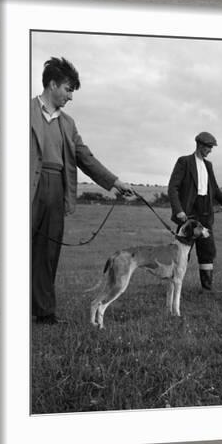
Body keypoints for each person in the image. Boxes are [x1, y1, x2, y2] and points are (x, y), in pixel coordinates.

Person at [31, 57, 133, 324]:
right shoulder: (21, 110)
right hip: (25, 188)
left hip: (56, 190)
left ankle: (43, 313)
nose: (70, 96)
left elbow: (85, 157)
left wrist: (115, 182)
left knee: (48, 254)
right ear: (52, 85)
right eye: (67, 89)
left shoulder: (69, 123)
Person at [167, 132, 222, 291]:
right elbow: (173, 188)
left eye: (211, 147)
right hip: (187, 215)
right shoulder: (184, 161)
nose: (210, 150)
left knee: (207, 251)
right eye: (209, 147)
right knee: (182, 252)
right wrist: (178, 210)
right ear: (200, 145)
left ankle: (207, 289)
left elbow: (215, 190)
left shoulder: (209, 165)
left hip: (205, 213)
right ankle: (175, 287)